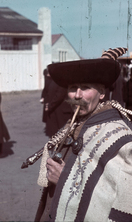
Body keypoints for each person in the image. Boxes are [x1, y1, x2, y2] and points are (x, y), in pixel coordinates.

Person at [34, 47, 132, 222]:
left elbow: (121, 201)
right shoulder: (73, 125)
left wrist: (65, 178)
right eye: (72, 88)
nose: (77, 95)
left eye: (85, 88)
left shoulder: (119, 137)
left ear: (102, 93)